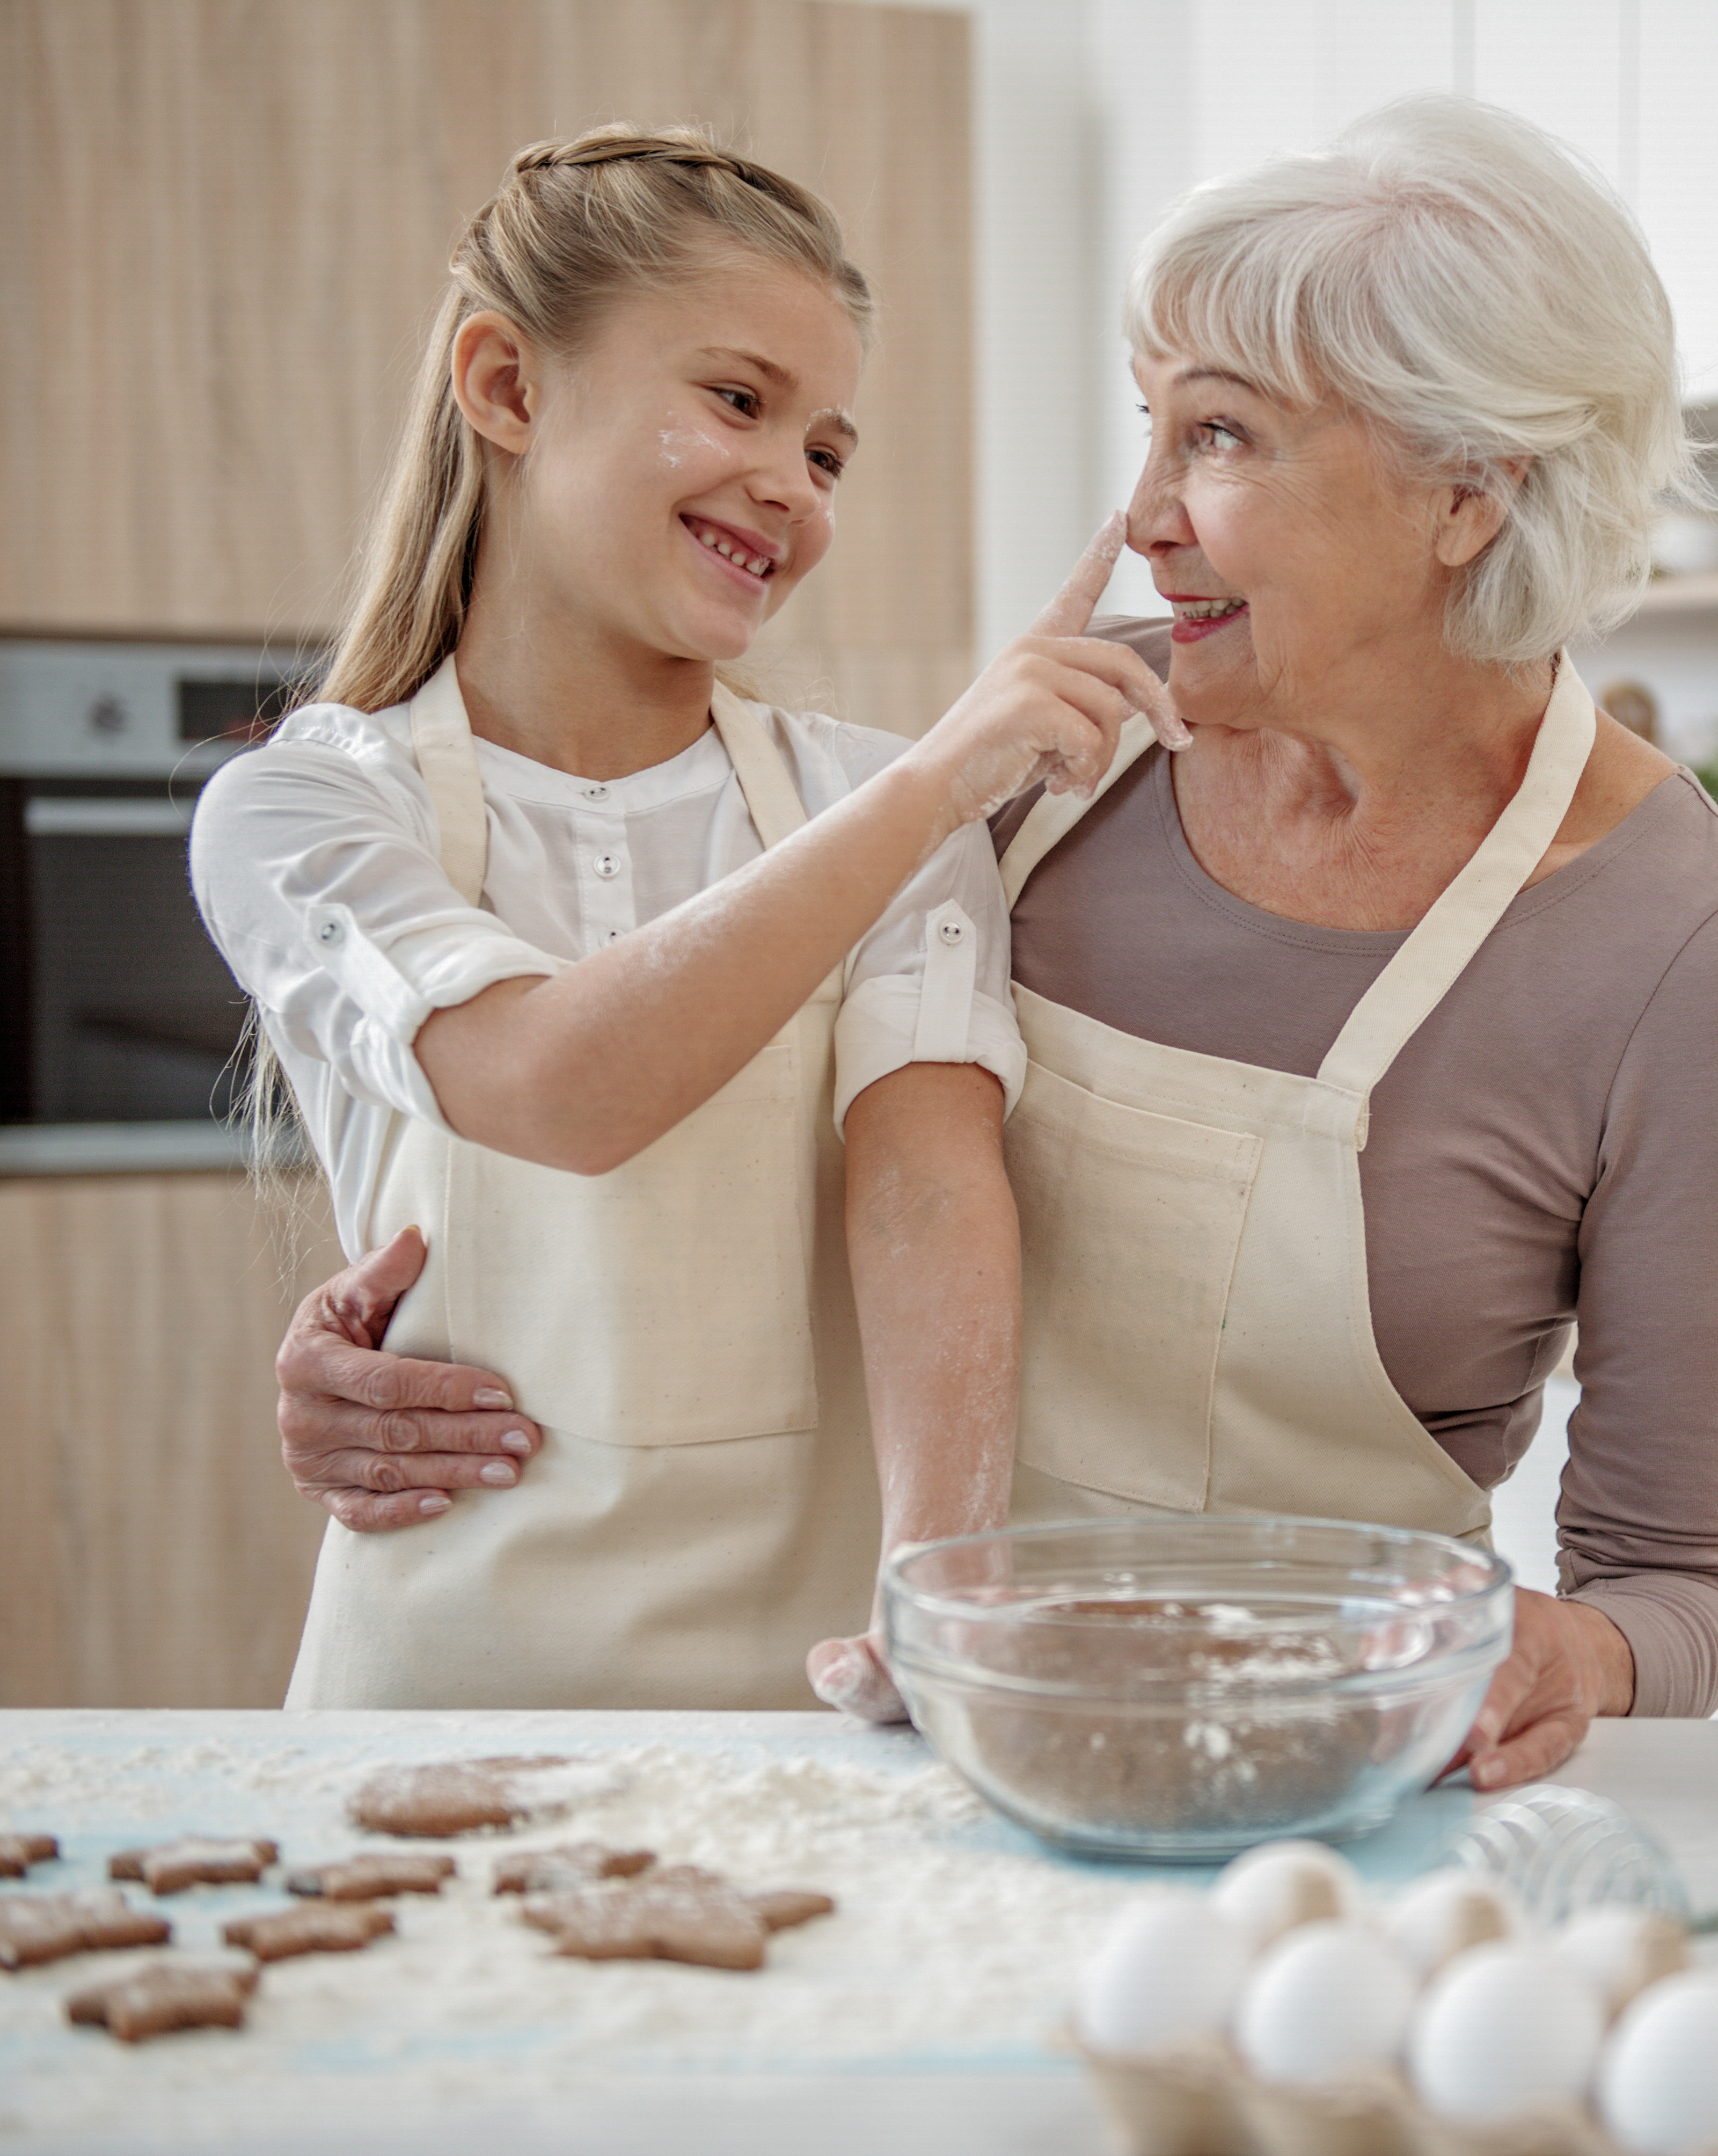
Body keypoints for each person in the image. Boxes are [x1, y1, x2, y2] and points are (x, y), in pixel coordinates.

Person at [270, 97, 1718, 1788]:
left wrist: (1574, 1652)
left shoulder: (1681, 951)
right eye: (1147, 429)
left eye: (1217, 440)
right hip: (925, 1745)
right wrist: (412, 1337)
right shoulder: (1042, 770)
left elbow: (1682, 1586)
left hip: (1324, 1788)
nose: (1140, 519)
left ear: (1466, 491)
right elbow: (721, 1125)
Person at [192, 125, 1179, 1709]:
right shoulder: (308, 811)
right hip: (429, 1706)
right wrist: (935, 785)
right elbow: (557, 1089)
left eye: (830, 450)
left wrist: (941, 1598)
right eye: (736, 400)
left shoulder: (876, 812)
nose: (790, 484)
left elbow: (929, 1191)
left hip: (806, 1703)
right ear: (508, 387)